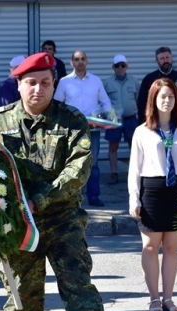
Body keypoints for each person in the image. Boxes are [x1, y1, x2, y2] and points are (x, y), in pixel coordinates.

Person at [0, 52, 131, 311]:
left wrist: (41, 199)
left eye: (45, 83)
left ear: (54, 84)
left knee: (77, 278)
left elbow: (78, 170)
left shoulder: (71, 121)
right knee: (23, 299)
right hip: (18, 226)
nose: (38, 89)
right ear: (18, 85)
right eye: (31, 83)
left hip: (61, 217)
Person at [128, 78, 177, 311]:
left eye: (171, 96)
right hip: (152, 190)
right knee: (150, 246)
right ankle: (154, 299)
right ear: (154, 100)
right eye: (162, 97)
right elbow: (134, 169)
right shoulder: (142, 132)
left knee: (172, 248)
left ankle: (169, 298)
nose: (167, 101)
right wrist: (134, 199)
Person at [54, 50, 113, 207]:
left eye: (83, 59)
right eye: (76, 59)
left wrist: (111, 117)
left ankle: (93, 197)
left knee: (93, 163)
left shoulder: (96, 81)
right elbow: (57, 105)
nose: (80, 62)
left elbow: (105, 102)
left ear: (87, 61)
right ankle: (71, 197)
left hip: (92, 130)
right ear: (71, 62)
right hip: (71, 130)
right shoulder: (64, 82)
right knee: (70, 162)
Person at [103, 54, 139, 184]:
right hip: (114, 120)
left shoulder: (134, 81)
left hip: (131, 119)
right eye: (117, 66)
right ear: (113, 67)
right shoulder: (106, 83)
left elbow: (138, 99)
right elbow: (102, 101)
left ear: (126, 66)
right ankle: (114, 174)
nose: (120, 68)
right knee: (113, 147)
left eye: (122, 65)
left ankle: (135, 175)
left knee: (134, 147)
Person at [137, 47, 177, 125]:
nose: (165, 61)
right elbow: (142, 104)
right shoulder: (149, 79)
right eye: (162, 58)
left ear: (171, 58)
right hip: (156, 122)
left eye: (167, 57)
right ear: (157, 61)